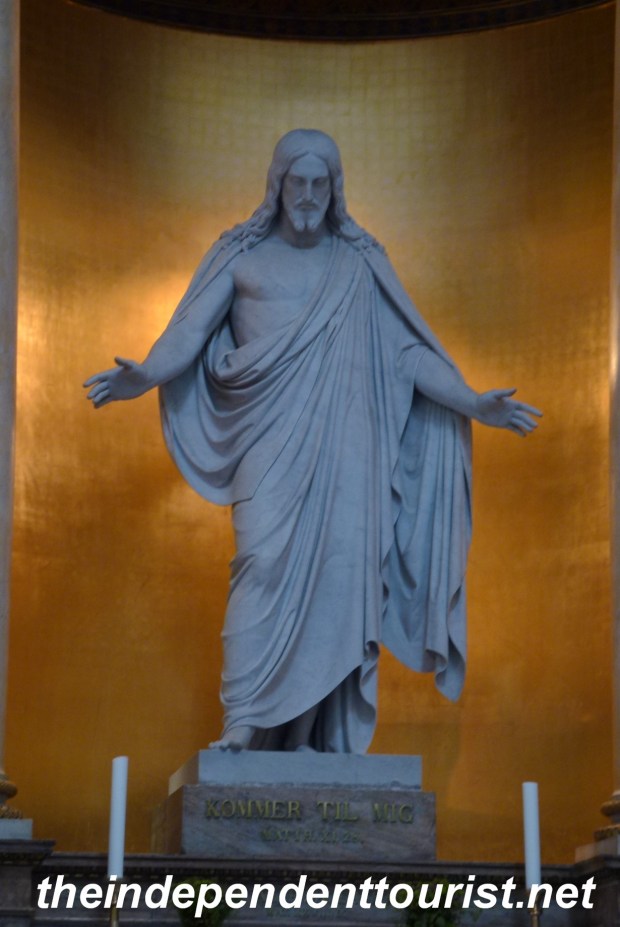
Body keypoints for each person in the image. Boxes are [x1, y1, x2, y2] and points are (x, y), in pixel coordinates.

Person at [84, 129, 540, 753]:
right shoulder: (240, 256)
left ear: (335, 188)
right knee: (262, 565)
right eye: (295, 182)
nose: (306, 195)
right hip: (268, 447)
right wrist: (145, 375)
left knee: (341, 579)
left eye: (318, 184)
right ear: (276, 184)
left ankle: (310, 740)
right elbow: (186, 332)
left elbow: (406, 354)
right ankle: (242, 722)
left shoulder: (357, 263)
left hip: (350, 454)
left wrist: (473, 402)